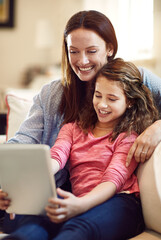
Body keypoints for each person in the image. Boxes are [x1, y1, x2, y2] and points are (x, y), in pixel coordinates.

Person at [0, 9, 161, 235]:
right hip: (59, 192)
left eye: (92, 51)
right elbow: (26, 145)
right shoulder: (54, 97)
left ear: (110, 49)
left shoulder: (134, 78)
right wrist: (9, 182)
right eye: (73, 51)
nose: (82, 61)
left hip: (112, 197)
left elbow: (115, 177)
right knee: (29, 225)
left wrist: (157, 128)